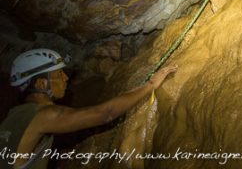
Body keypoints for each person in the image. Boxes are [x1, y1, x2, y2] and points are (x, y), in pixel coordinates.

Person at [0, 48, 177, 169]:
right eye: (58, 74)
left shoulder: (16, 116)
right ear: (40, 83)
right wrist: (151, 85)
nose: (65, 78)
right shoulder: (42, 115)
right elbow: (105, 114)